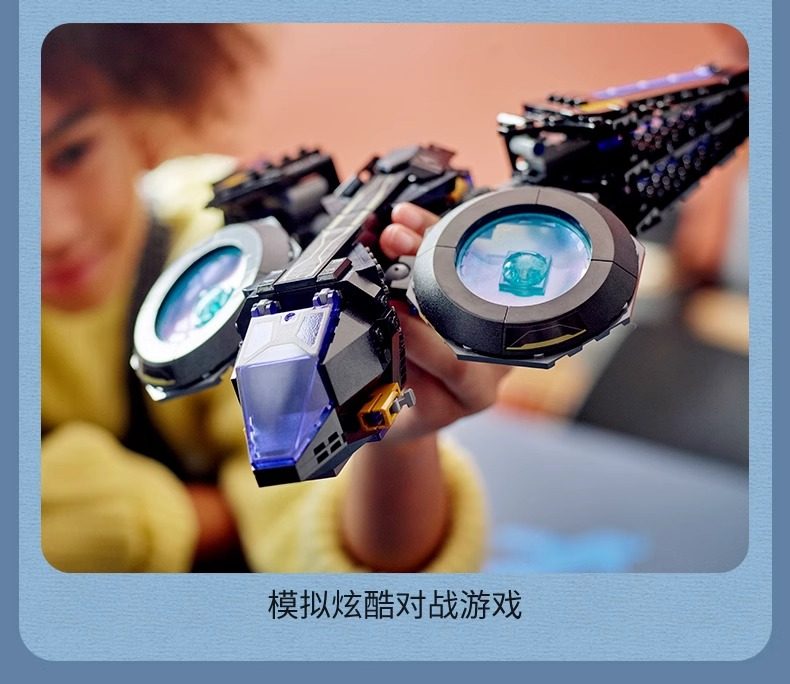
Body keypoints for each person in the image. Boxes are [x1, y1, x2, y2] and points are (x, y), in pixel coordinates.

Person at [41, 24, 507, 573]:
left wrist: (396, 449)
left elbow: (357, 583)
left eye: (71, 154)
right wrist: (205, 515)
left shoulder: (238, 253)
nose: (53, 232)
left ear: (134, 113)